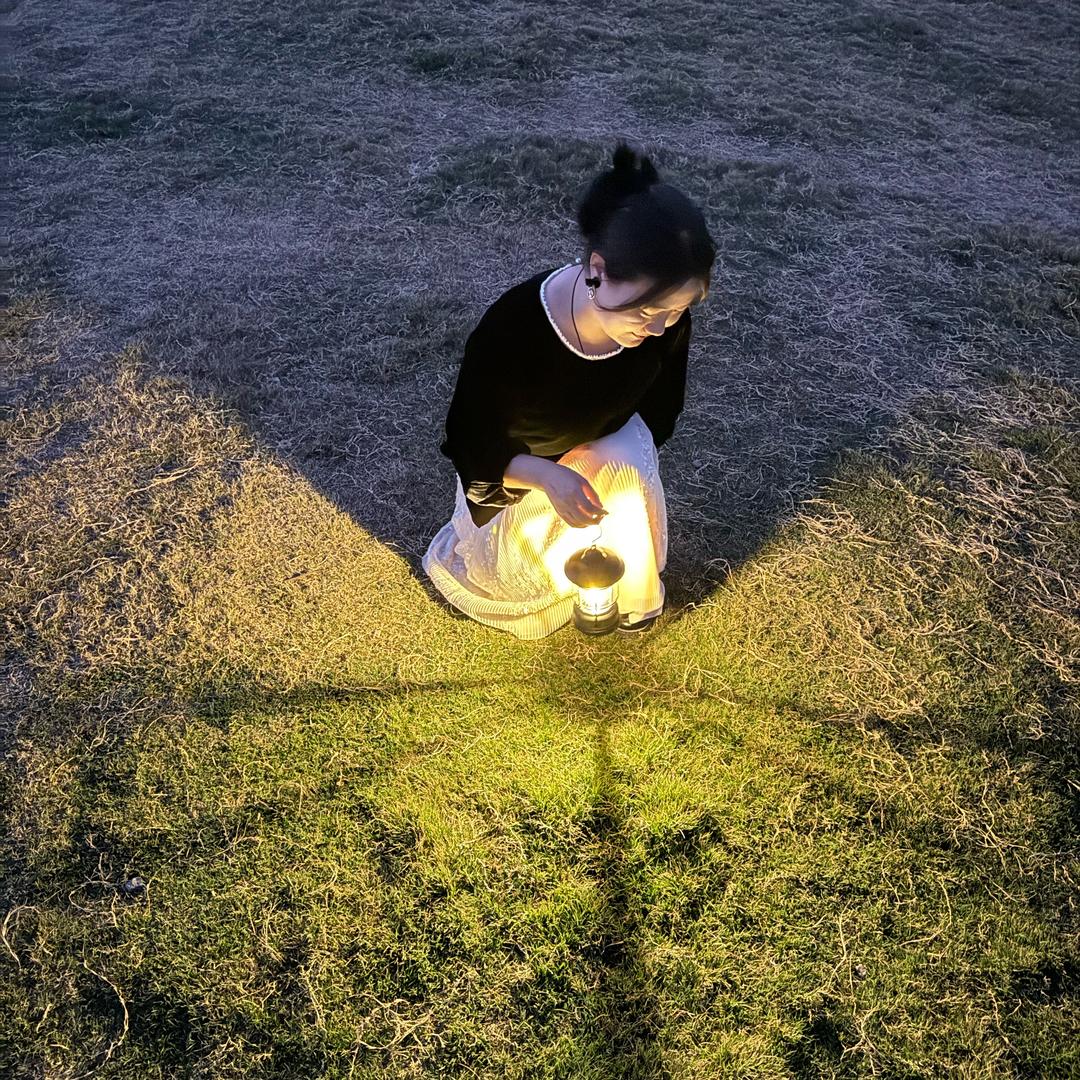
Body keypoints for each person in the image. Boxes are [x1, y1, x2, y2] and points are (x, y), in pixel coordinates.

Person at [423, 141, 717, 640]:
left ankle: (634, 595)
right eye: (646, 312)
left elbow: (659, 413)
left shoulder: (666, 323)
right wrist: (547, 476)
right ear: (598, 270)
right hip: (517, 479)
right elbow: (468, 440)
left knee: (627, 449)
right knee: (525, 581)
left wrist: (603, 465)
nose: (661, 327)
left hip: (604, 452)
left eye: (677, 311)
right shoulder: (514, 329)